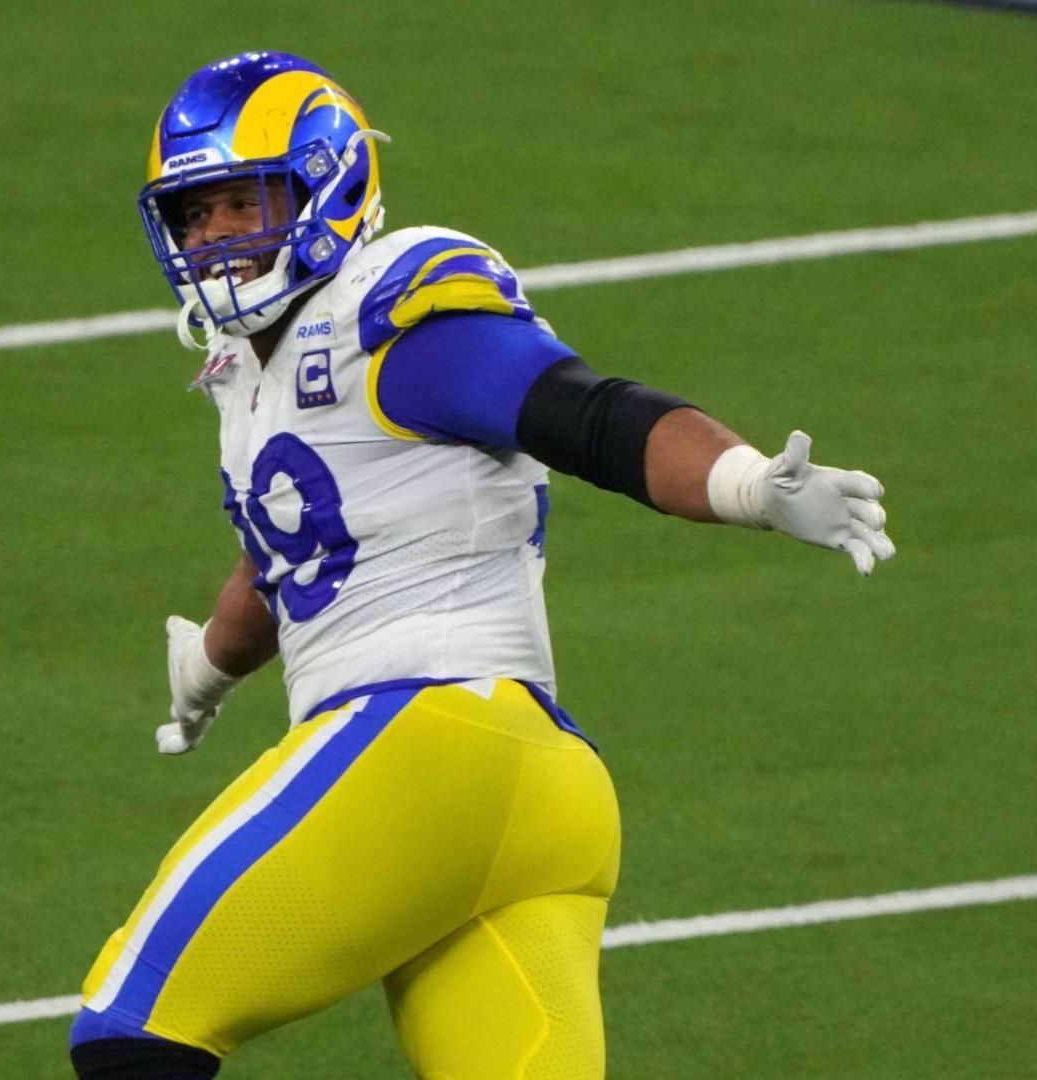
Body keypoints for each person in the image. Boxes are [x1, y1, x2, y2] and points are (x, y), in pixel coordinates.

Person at [68, 51, 894, 1080]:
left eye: (241, 201)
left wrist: (742, 483)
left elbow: (583, 413)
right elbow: (288, 558)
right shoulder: (252, 369)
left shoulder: (392, 323)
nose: (214, 237)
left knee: (132, 1022)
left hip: (428, 744)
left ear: (326, 185)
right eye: (192, 216)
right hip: (538, 792)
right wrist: (212, 668)